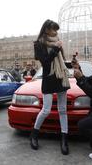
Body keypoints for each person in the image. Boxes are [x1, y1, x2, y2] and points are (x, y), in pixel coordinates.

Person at [31, 19, 70, 155]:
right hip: (49, 78)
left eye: (56, 30)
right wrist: (56, 49)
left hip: (60, 78)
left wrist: (72, 63)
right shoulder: (39, 44)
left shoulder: (57, 41)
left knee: (62, 110)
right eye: (53, 29)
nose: (55, 32)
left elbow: (62, 62)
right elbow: (46, 63)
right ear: (47, 29)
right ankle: (34, 134)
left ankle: (64, 138)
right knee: (46, 110)